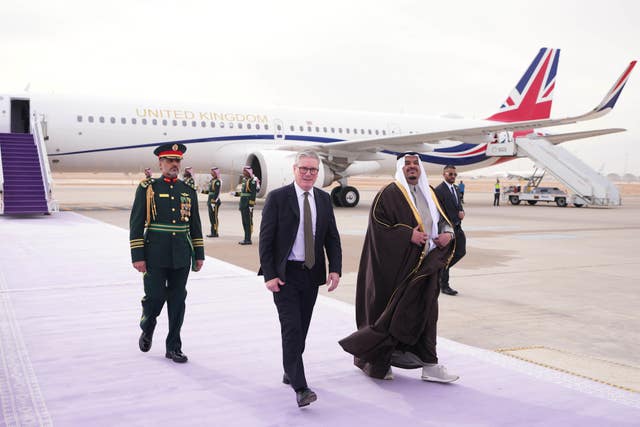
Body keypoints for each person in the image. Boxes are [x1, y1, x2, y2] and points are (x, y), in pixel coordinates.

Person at [339, 152, 459, 383]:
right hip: (397, 271)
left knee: (428, 315)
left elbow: (443, 220)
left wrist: (448, 233)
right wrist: (408, 235)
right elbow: (378, 228)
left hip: (426, 268)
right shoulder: (389, 194)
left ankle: (430, 364)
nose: (412, 168)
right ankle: (376, 362)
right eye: (407, 164)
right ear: (400, 168)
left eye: (415, 164)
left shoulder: (430, 192)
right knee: (389, 317)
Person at [258, 150, 342, 408]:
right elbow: (266, 240)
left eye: (313, 170)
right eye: (303, 169)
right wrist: (270, 275)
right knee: (292, 328)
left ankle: (289, 367)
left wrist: (335, 269)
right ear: (294, 170)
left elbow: (332, 238)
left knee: (302, 328)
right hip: (285, 276)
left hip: (311, 274)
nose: (308, 174)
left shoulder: (324, 200)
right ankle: (301, 387)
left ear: (318, 173)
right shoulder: (278, 198)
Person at [129, 143, 205, 363]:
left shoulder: (187, 190)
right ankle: (148, 324)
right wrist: (138, 255)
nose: (174, 164)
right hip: (155, 253)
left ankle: (173, 346)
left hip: (181, 253)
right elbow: (136, 223)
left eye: (177, 161)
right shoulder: (148, 188)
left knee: (178, 300)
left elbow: (195, 225)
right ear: (160, 163)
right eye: (169, 160)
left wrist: (198, 254)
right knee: (155, 297)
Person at [435, 165, 466, 296]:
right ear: (444, 175)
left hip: (458, 227)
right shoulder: (439, 190)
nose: (453, 176)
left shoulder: (456, 189)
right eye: (450, 174)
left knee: (461, 252)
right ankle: (444, 285)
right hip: (447, 230)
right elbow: (438, 211)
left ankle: (439, 271)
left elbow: (458, 206)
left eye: (454, 174)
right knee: (447, 256)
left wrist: (462, 212)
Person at [232, 166, 258, 245]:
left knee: (248, 222)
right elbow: (243, 192)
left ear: (249, 172)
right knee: (244, 222)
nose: (243, 173)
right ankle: (245, 238)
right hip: (243, 204)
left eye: (245, 171)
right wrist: (236, 194)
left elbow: (253, 193)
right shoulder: (244, 180)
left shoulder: (253, 181)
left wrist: (251, 204)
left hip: (248, 204)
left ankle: (248, 239)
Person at [203, 167, 222, 238]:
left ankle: (215, 232)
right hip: (210, 201)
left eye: (212, 172)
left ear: (215, 173)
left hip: (214, 202)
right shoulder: (212, 180)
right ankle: (212, 232)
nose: (211, 173)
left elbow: (217, 192)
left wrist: (214, 202)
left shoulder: (217, 181)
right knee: (211, 217)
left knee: (214, 217)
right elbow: (210, 191)